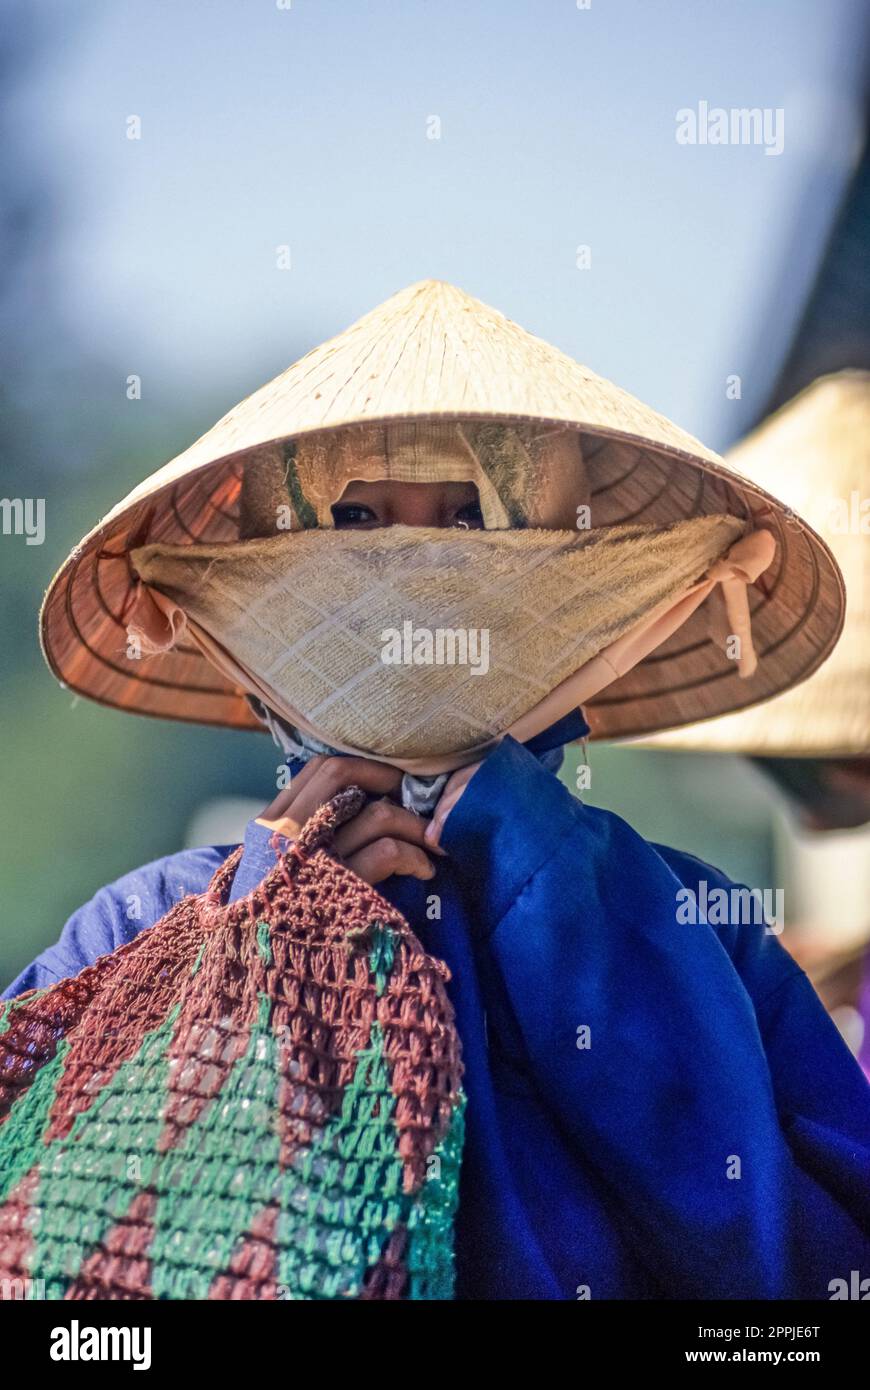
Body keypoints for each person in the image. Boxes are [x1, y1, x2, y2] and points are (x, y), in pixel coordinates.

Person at [5, 282, 869, 1299]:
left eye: (476, 514)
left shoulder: (702, 928)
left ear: (583, 571)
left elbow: (806, 1286)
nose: (412, 566)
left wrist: (551, 891)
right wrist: (258, 946)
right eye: (355, 516)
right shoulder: (147, 925)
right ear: (243, 586)